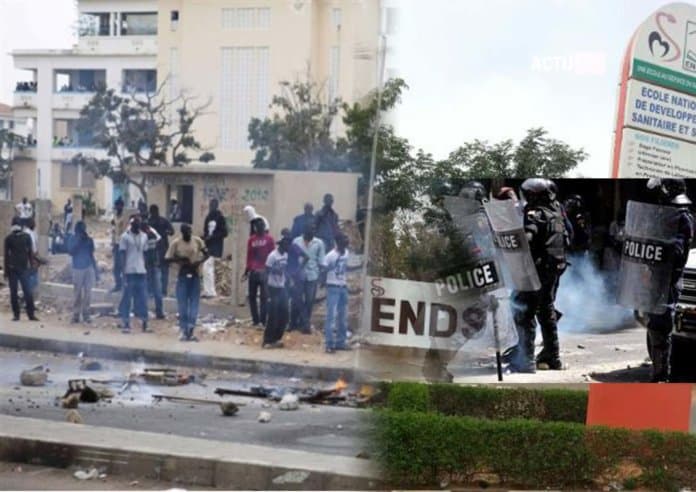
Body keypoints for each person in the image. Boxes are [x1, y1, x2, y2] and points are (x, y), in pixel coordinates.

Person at [508, 178, 567, 373]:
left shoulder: (534, 213)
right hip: (554, 269)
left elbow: (529, 238)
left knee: (525, 312)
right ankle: (553, 357)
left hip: (537, 270)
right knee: (547, 311)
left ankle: (526, 360)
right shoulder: (556, 213)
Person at [644, 178, 694, 382]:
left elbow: (677, 251)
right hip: (656, 280)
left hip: (668, 282)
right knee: (655, 327)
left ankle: (661, 377)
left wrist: (656, 243)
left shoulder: (683, 217)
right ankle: (658, 373)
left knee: (661, 328)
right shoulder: (666, 214)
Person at [165, 224, 208, 341]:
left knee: (194, 304)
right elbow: (167, 258)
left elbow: (207, 253)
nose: (189, 234)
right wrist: (181, 260)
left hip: (195, 274)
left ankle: (191, 330)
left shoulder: (197, 241)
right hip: (182, 275)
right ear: (182, 233)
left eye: (190, 231)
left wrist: (199, 262)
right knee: (182, 304)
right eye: (186, 232)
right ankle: (184, 331)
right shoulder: (176, 243)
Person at [118, 215, 149, 333]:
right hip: (129, 271)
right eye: (136, 224)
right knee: (127, 298)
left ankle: (145, 323)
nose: (138, 226)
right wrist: (123, 272)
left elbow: (145, 253)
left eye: (139, 224)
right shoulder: (125, 237)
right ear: (132, 224)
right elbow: (122, 255)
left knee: (143, 298)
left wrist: (145, 267)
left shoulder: (144, 236)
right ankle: (126, 323)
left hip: (141, 271)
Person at [291, 224, 325, 333]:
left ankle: (305, 325)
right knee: (296, 300)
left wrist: (321, 277)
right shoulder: (296, 241)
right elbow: (292, 259)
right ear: (304, 230)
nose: (312, 232)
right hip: (298, 276)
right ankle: (293, 324)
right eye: (310, 230)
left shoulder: (319, 243)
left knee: (309, 301)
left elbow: (321, 261)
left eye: (314, 230)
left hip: (312, 276)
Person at [4, 217, 38, 321]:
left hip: (12, 268)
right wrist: (32, 266)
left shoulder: (8, 238)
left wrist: (6, 271)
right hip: (23, 269)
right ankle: (31, 314)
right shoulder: (26, 237)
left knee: (14, 292)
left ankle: (16, 315)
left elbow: (6, 256)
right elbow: (30, 254)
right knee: (27, 291)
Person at [322, 233, 350, 353]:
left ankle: (340, 342)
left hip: (343, 286)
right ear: (338, 242)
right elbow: (323, 269)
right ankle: (329, 344)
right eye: (344, 240)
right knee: (331, 316)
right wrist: (324, 282)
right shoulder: (330, 256)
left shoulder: (346, 253)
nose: (347, 242)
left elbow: (345, 268)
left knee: (342, 316)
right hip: (333, 287)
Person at [243, 219, 274, 326]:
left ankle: (263, 320)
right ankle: (255, 320)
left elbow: (272, 255)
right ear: (255, 227)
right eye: (257, 226)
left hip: (264, 271)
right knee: (252, 297)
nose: (259, 228)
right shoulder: (251, 240)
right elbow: (249, 256)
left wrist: (270, 270)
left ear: (264, 227)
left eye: (261, 226)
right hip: (253, 271)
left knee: (264, 297)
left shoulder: (269, 239)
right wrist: (247, 270)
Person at [67, 221, 99, 324]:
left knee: (88, 293)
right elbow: (71, 252)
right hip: (77, 268)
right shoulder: (72, 239)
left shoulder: (89, 240)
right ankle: (76, 315)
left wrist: (96, 270)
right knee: (77, 293)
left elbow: (91, 255)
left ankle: (86, 314)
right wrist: (79, 241)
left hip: (88, 267)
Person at [263, 235, 290, 348]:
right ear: (282, 244)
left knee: (284, 315)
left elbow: (285, 271)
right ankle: (267, 340)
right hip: (272, 288)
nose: (288, 246)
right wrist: (266, 292)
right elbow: (266, 273)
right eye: (287, 243)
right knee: (273, 315)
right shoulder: (272, 256)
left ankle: (277, 338)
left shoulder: (286, 255)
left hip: (282, 287)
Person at [202, 199, 228, 298]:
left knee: (207, 267)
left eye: (212, 205)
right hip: (208, 245)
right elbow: (205, 231)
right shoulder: (208, 217)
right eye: (210, 205)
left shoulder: (220, 218)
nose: (211, 207)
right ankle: (207, 290)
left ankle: (211, 292)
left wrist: (213, 237)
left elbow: (225, 233)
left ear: (216, 206)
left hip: (216, 246)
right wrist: (205, 238)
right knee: (207, 269)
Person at [148, 204, 174, 297]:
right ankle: (161, 291)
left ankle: (158, 291)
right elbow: (171, 231)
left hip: (158, 249)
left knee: (157, 270)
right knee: (160, 271)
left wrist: (166, 232)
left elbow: (171, 231)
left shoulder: (151, 222)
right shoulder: (154, 221)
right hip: (158, 248)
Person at [142, 219, 164, 319]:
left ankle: (151, 311)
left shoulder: (145, 235)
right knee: (155, 289)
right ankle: (158, 312)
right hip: (152, 264)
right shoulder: (152, 233)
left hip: (149, 265)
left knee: (148, 289)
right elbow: (160, 243)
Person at [110, 198, 127, 292]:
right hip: (116, 244)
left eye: (118, 205)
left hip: (123, 244)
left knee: (123, 266)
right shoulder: (115, 216)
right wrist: (112, 243)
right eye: (116, 206)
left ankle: (125, 286)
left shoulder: (125, 217)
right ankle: (118, 285)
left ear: (122, 206)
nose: (117, 207)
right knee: (116, 267)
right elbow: (113, 231)